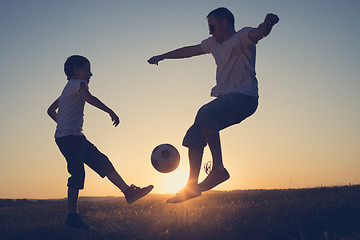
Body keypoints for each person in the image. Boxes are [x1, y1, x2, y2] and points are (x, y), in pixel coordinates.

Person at [148, 7, 279, 203]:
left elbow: (259, 32)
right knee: (193, 136)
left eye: (212, 26)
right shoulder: (212, 44)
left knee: (204, 113)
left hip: (245, 98)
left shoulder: (242, 37)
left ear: (224, 22)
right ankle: (192, 186)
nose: (210, 31)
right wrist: (163, 56)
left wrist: (268, 22)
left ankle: (218, 169)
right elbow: (188, 51)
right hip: (226, 101)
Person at [47, 55, 154, 232]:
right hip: (70, 138)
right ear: (77, 71)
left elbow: (50, 111)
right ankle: (71, 217)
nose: (91, 74)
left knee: (101, 161)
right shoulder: (80, 84)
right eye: (88, 69)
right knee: (77, 174)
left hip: (72, 137)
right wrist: (109, 111)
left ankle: (128, 192)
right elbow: (88, 98)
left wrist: (62, 124)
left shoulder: (66, 90)